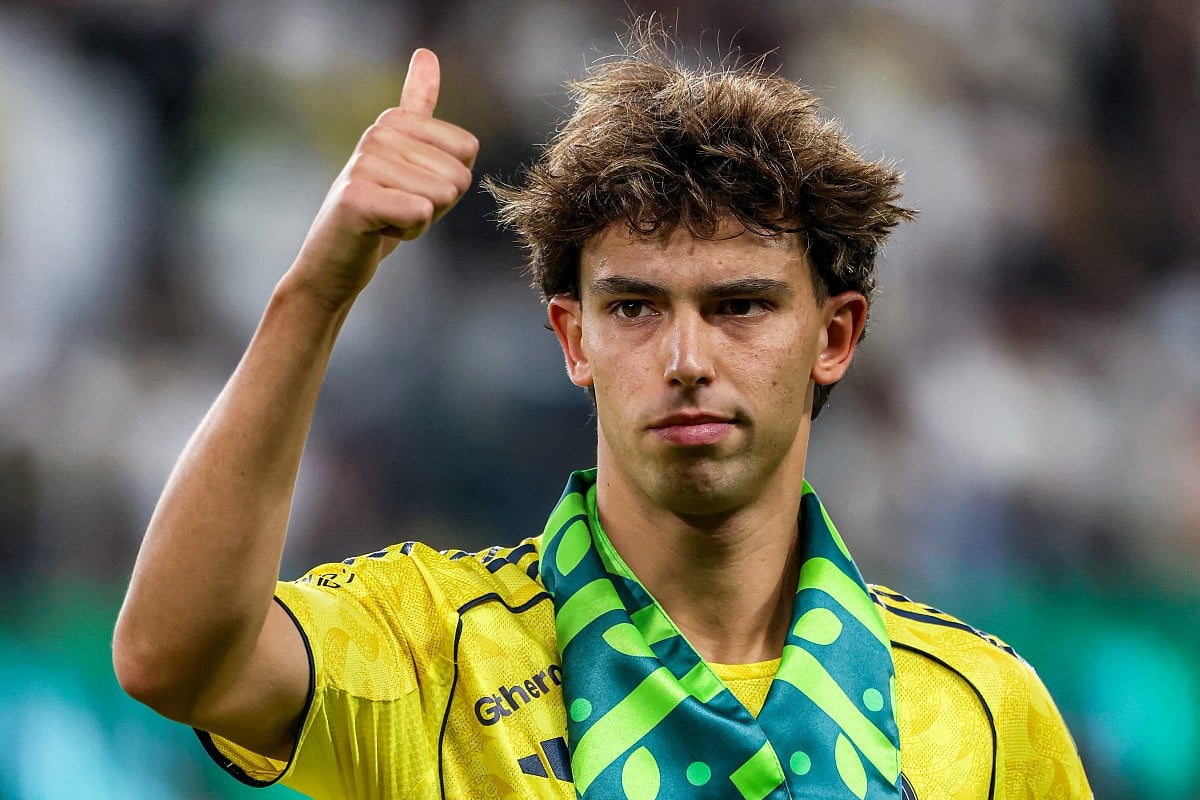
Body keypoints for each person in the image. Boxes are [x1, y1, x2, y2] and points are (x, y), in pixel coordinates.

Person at [114, 28, 1093, 800]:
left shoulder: (985, 709)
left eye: (739, 305)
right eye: (634, 306)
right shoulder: (432, 650)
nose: (685, 360)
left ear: (835, 336)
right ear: (572, 338)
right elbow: (171, 655)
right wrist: (318, 287)